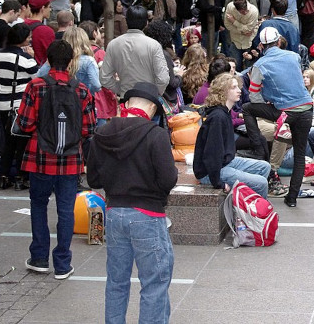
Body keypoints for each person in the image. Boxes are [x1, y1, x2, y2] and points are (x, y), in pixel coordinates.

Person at [87, 82, 178, 323]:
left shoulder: (103, 133)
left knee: (116, 282)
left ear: (126, 104)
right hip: (148, 215)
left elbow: (93, 178)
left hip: (115, 213)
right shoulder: (155, 134)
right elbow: (168, 178)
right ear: (151, 109)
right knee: (154, 284)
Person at [19, 40, 96, 280]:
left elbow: (25, 123)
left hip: (40, 156)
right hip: (71, 158)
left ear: (48, 61)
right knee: (66, 209)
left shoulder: (36, 86)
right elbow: (89, 128)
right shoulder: (81, 90)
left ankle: (39, 257)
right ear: (72, 61)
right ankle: (63, 263)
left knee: (38, 205)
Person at [242, 27, 313, 208]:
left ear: (261, 45)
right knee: (299, 155)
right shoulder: (294, 56)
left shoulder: (260, 65)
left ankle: (258, 149)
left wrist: (268, 103)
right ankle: (292, 198)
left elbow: (254, 95)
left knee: (247, 109)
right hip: (306, 109)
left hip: (283, 112)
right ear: (279, 41)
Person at [193, 73, 271, 198]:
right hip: (211, 171)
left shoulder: (225, 113)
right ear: (223, 92)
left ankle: (248, 207)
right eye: (234, 87)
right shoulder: (218, 117)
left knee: (264, 167)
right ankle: (256, 216)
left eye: (238, 87)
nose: (239, 90)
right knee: (261, 183)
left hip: (226, 162)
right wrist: (219, 183)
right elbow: (211, 154)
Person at [0, 24, 39, 190]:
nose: (30, 40)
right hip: (20, 104)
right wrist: (33, 57)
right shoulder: (25, 58)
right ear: (22, 39)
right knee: (21, 142)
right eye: (28, 37)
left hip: (3, 103)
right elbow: (37, 75)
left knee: (8, 142)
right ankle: (20, 178)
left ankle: (4, 177)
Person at [100, 5, 169, 97]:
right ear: (146, 23)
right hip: (148, 98)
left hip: (126, 98)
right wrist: (155, 92)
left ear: (126, 21)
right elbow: (163, 79)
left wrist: (122, 90)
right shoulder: (154, 45)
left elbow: (104, 78)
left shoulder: (113, 44)